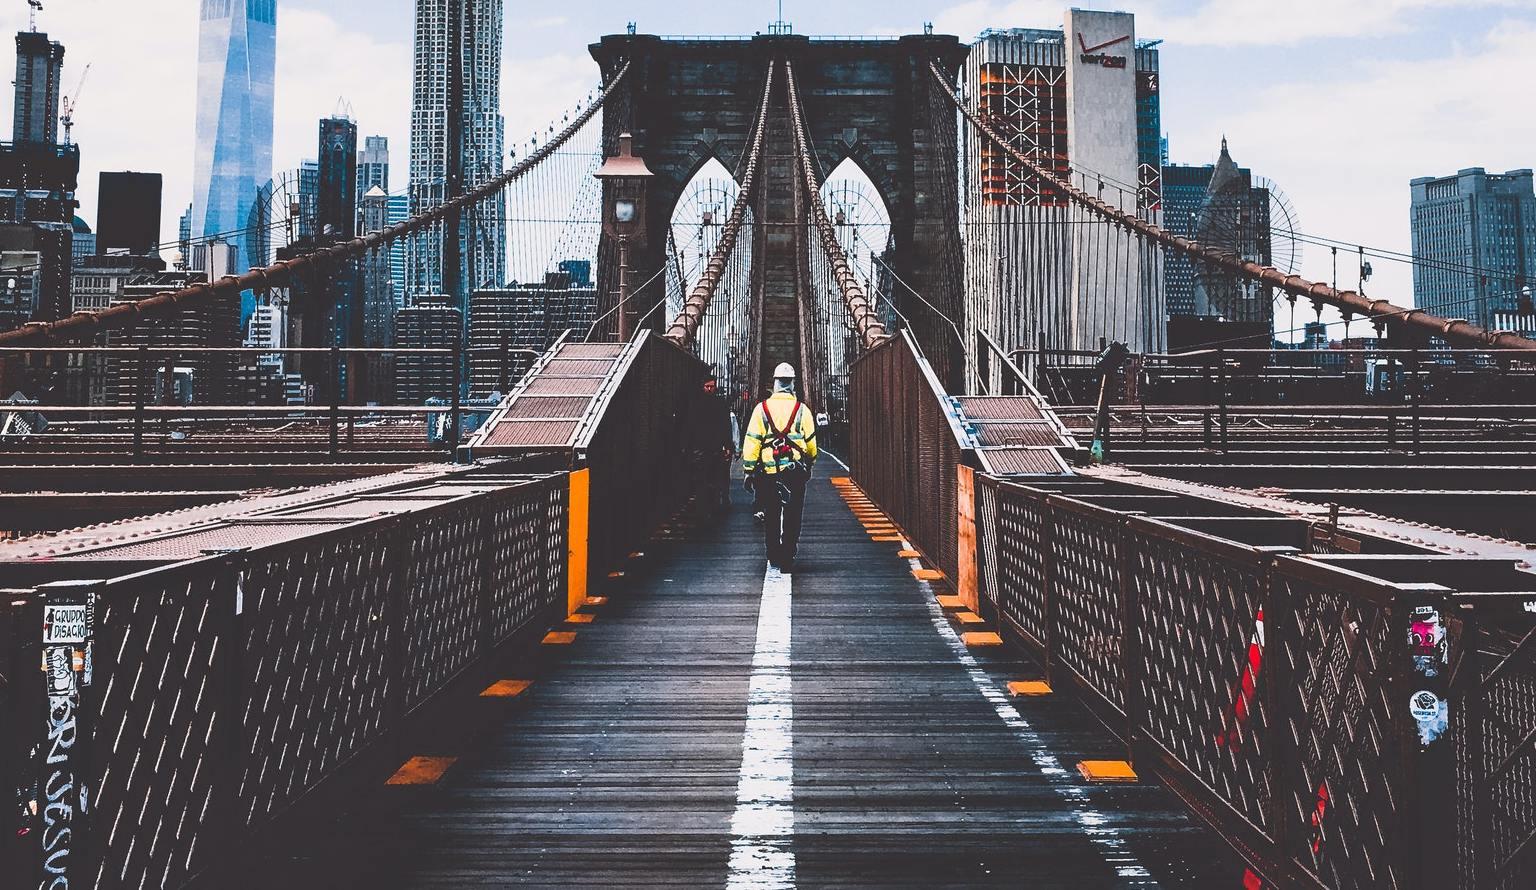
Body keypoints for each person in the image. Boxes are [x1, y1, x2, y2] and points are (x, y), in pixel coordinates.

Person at [741, 362, 818, 572]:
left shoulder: (761, 409)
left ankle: (773, 553)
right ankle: (788, 554)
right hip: (794, 472)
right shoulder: (802, 410)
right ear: (793, 384)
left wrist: (749, 470)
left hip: (768, 472)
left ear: (774, 383)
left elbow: (752, 441)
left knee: (772, 514)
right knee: (793, 514)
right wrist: (810, 463)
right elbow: (811, 444)